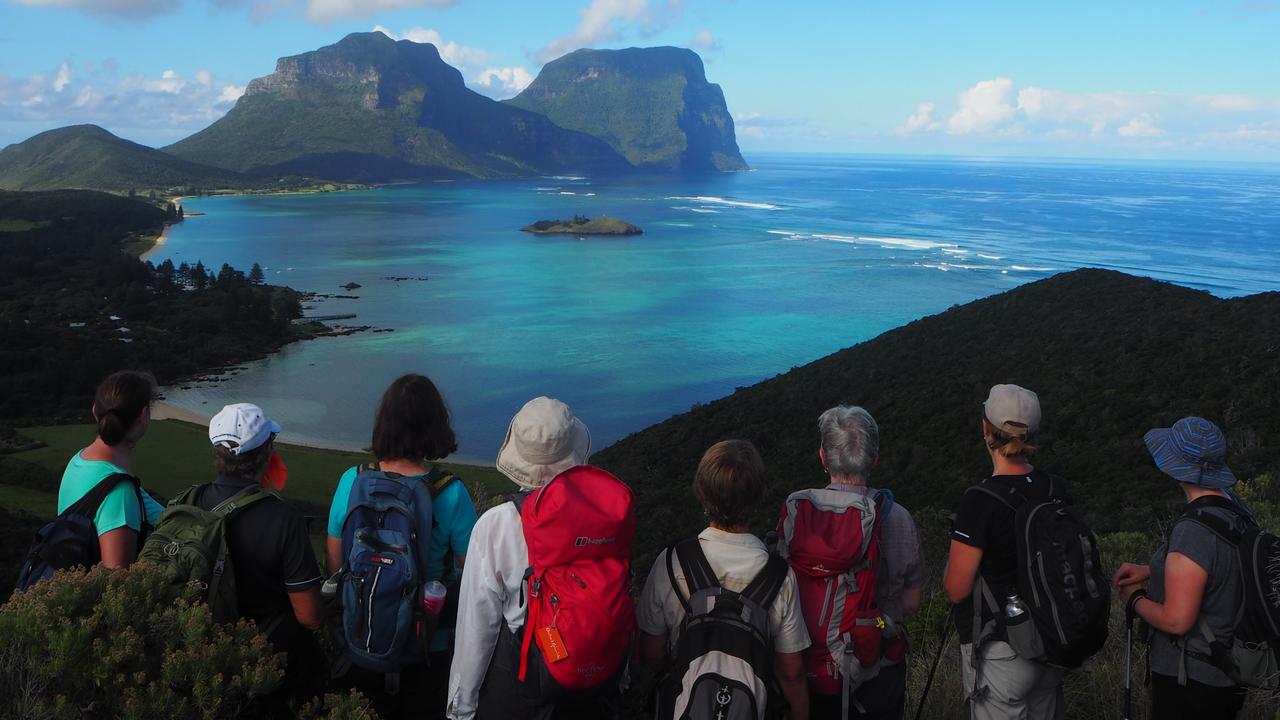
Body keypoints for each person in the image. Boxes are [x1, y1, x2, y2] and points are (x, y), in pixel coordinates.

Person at [448, 396, 630, 720]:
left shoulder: (497, 524)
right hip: (594, 685)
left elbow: (477, 628)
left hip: (522, 685)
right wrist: (622, 676)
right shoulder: (605, 517)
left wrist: (461, 708)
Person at [327, 374, 478, 720]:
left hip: (359, 636)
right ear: (435, 425)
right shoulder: (449, 492)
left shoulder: (352, 480)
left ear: (384, 422)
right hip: (427, 646)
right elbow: (474, 575)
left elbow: (335, 565)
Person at [639, 439, 812, 720]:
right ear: (756, 494)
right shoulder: (780, 576)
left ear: (703, 493)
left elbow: (652, 653)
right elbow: (791, 674)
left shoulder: (672, 562)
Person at [942, 384, 1065, 720]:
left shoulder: (980, 500)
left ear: (986, 428)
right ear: (1033, 433)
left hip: (1002, 652)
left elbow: (956, 589)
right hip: (1052, 644)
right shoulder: (1055, 488)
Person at [1113, 417, 1249, 720]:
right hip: (1226, 675)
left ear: (1175, 467)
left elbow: (1177, 621)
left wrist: (1134, 600)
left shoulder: (1193, 530)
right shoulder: (1236, 512)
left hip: (1191, 682)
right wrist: (1151, 569)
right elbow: (1212, 566)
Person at [800, 406, 925, 720]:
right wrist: (880, 623)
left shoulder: (800, 519)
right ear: (875, 459)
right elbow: (912, 600)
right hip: (878, 664)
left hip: (812, 668)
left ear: (823, 457)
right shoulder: (897, 518)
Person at [196, 402, 325, 705]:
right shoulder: (283, 518)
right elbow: (310, 617)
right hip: (269, 664)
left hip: (202, 653)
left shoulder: (188, 503)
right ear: (267, 452)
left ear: (218, 453)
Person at [56, 370, 165, 568]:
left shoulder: (79, 461)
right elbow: (117, 581)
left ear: (94, 411)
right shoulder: (119, 492)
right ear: (144, 416)